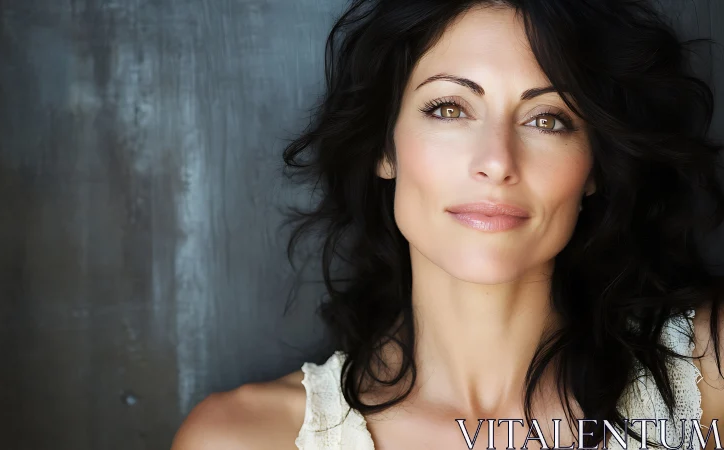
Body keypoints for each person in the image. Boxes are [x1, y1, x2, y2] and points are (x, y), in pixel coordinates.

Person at [172, 0, 724, 448]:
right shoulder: (242, 439)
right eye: (450, 109)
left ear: (593, 168)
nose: (497, 161)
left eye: (547, 119)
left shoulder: (711, 375)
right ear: (384, 147)